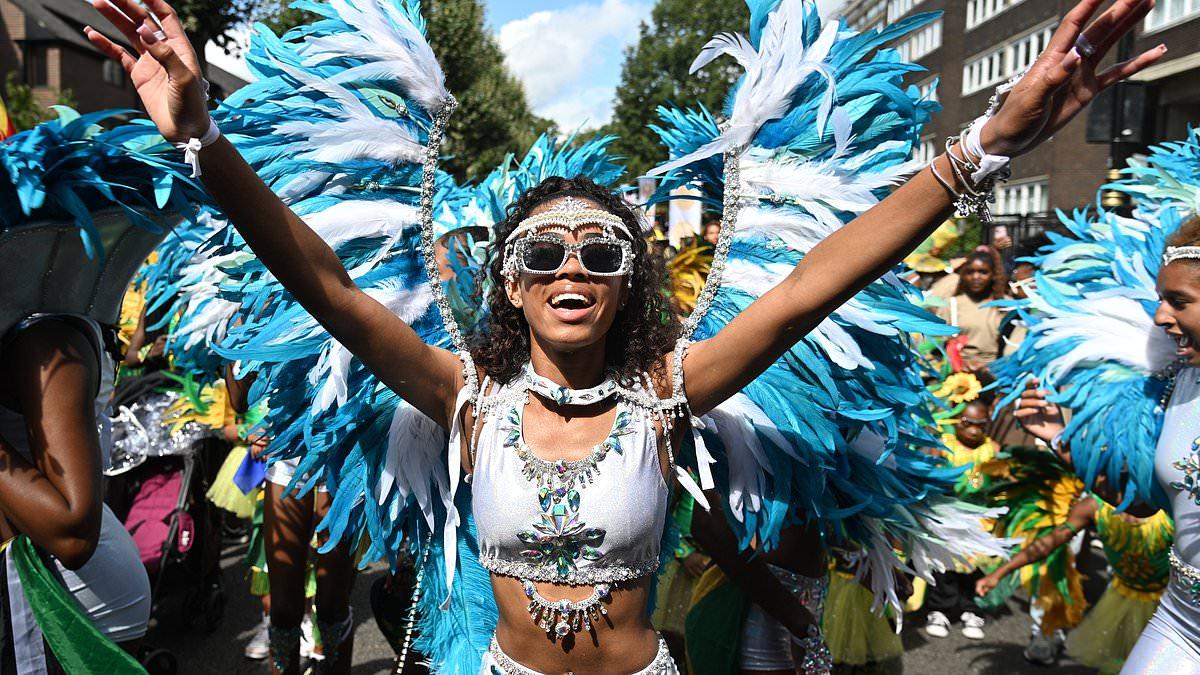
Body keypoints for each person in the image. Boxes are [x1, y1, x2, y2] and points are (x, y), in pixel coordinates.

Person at [82, 0, 1162, 670]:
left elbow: (808, 288)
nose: (569, 271)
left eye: (601, 254)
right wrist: (205, 140)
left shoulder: (668, 394)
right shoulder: (464, 401)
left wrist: (988, 142)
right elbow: (327, 286)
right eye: (540, 255)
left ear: (630, 283)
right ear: (505, 286)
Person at [977, 494, 1172, 673]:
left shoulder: (1171, 512)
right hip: (1120, 598)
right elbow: (1047, 544)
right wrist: (1000, 573)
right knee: (1118, 663)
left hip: (1166, 604)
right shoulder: (1094, 506)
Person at [922, 399, 1003, 641]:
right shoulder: (944, 446)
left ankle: (972, 608)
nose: (974, 430)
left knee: (973, 568)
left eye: (981, 424)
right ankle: (940, 609)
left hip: (980, 521)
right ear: (956, 421)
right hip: (948, 517)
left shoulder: (993, 450)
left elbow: (1002, 486)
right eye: (968, 423)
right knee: (944, 565)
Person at [934, 246, 1010, 370]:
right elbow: (935, 344)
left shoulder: (1005, 306)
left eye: (983, 272)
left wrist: (990, 367)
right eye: (970, 272)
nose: (976, 277)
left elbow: (1013, 345)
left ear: (993, 275)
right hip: (958, 373)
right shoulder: (952, 304)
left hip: (996, 372)